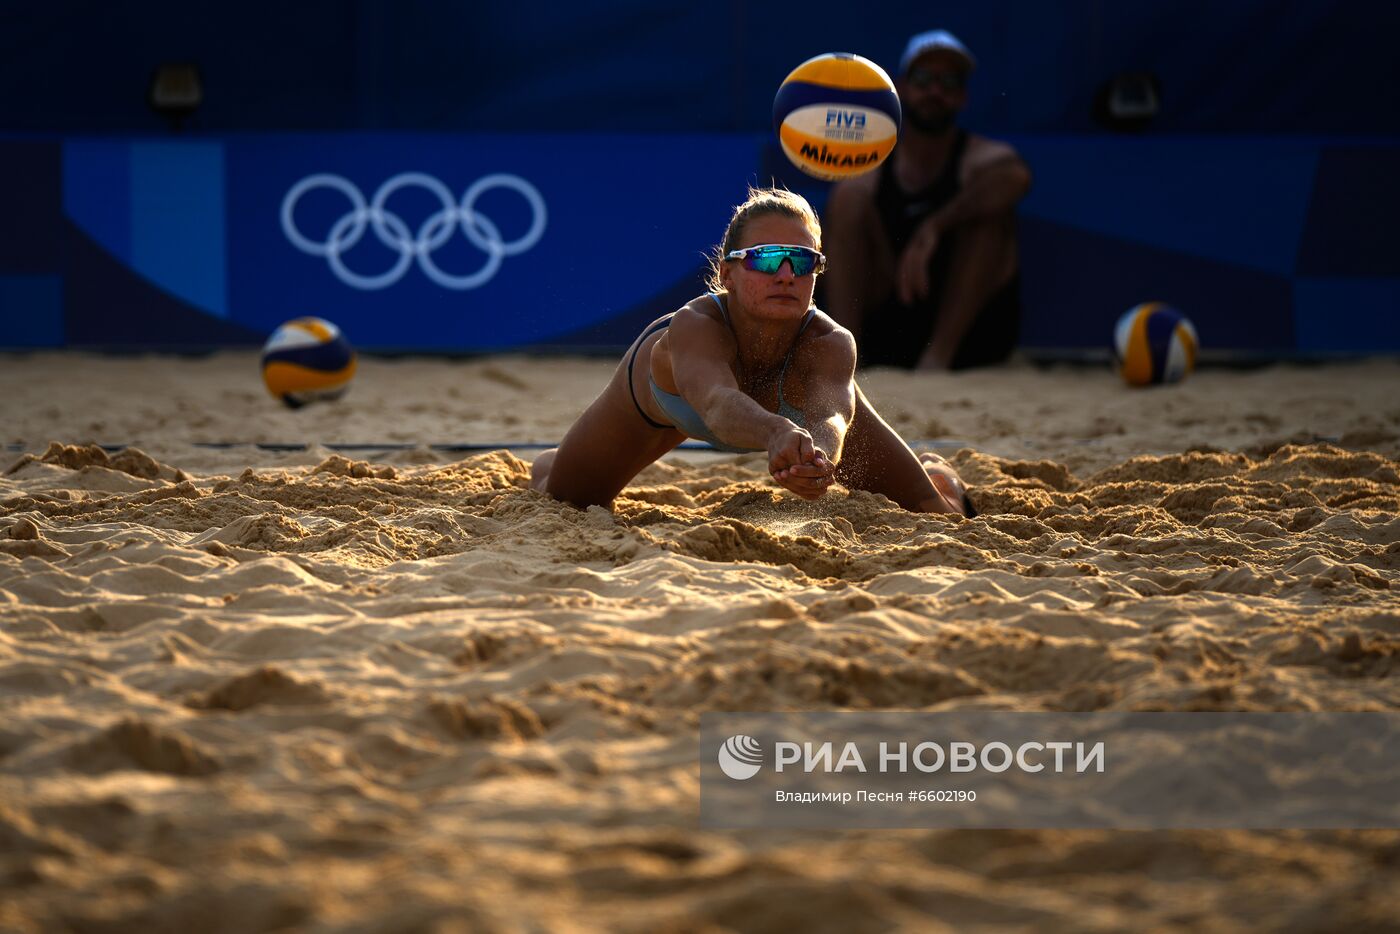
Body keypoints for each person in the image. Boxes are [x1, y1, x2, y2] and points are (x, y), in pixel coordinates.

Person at [529, 187, 975, 517]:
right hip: (662, 409)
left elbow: (830, 419)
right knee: (563, 500)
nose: (785, 275)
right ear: (727, 273)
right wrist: (778, 433)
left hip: (781, 424)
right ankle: (554, 458)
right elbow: (718, 405)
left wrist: (818, 460)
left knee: (934, 511)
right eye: (765, 259)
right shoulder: (695, 326)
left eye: (802, 261)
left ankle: (942, 476)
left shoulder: (829, 341)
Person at [822, 29, 1031, 370]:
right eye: (924, 79)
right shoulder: (872, 168)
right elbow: (848, 203)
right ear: (901, 88)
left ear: (962, 96)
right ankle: (847, 357)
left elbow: (1016, 179)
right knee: (846, 200)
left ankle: (937, 358)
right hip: (889, 323)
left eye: (949, 82)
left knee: (992, 214)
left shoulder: (979, 156)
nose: (935, 91)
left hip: (969, 340)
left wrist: (935, 225)